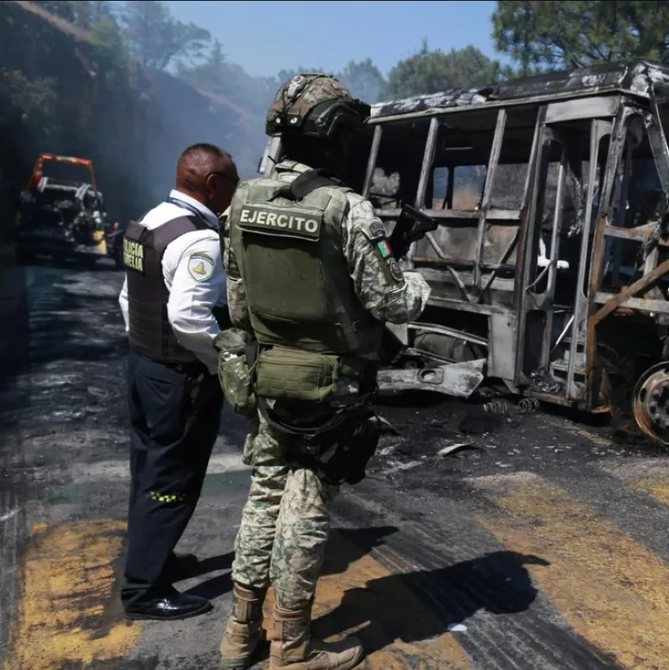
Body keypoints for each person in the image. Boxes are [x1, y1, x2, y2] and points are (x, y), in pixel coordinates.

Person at [215, 73, 430, 670]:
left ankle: (239, 634)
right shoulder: (347, 209)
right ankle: (292, 648)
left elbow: (237, 303)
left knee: (262, 498)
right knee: (305, 509)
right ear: (333, 137)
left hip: (266, 377)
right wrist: (417, 280)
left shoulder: (241, 200)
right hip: (328, 388)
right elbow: (394, 302)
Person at [118, 142, 240, 620]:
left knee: (148, 470)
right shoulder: (201, 240)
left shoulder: (150, 220)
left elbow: (130, 299)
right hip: (178, 379)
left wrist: (145, 348)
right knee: (172, 481)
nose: (235, 191)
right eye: (231, 182)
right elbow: (190, 317)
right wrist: (222, 360)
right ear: (212, 185)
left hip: (143, 367)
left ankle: (152, 558)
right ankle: (144, 590)